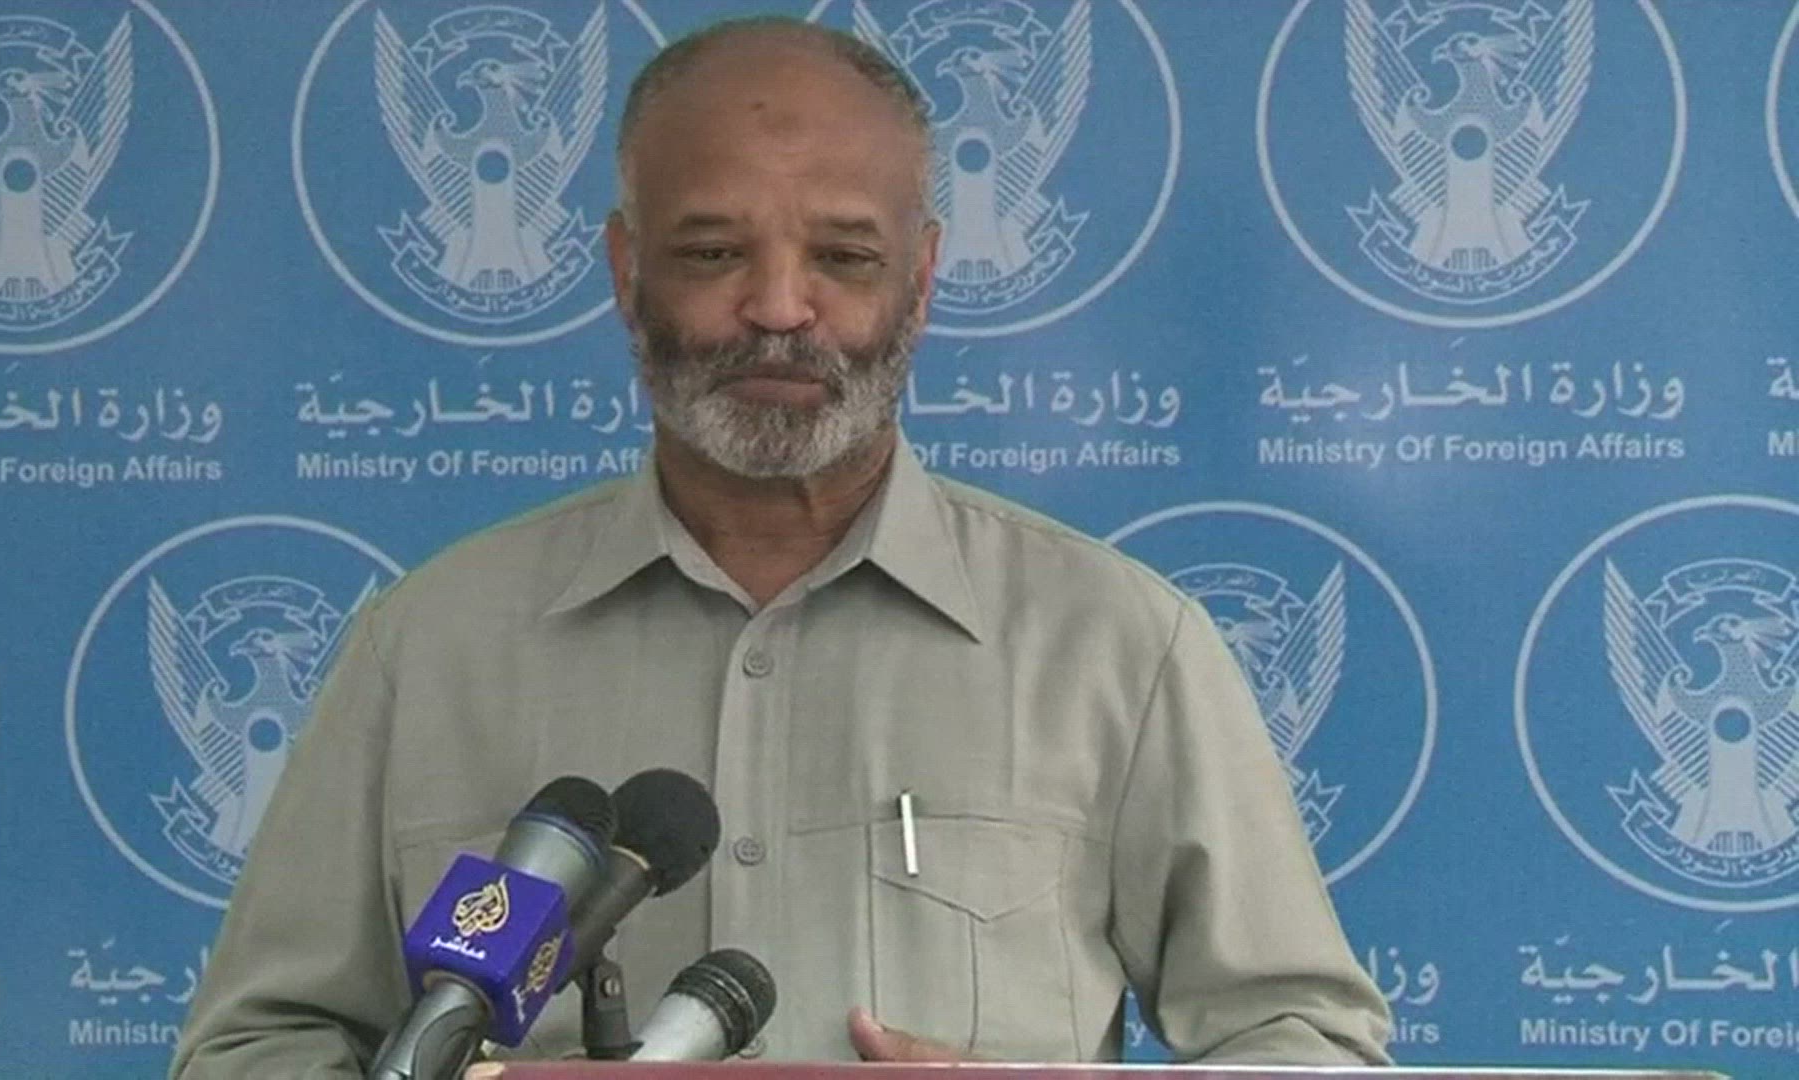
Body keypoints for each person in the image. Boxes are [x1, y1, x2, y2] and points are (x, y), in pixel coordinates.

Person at [170, 17, 1391, 1075]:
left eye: (844, 258)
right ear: (625, 269)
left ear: (922, 278)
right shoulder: (430, 647)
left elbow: (1306, 1045)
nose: (779, 308)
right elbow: (257, 1044)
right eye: (714, 253)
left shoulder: (1118, 645)